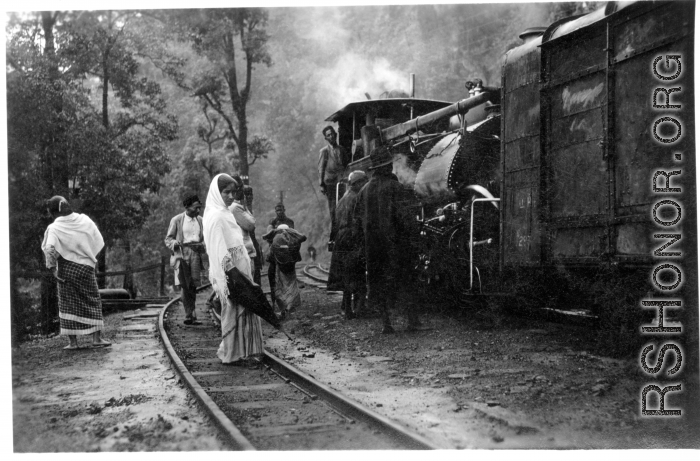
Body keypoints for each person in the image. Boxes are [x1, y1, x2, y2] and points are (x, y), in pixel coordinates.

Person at [355, 149, 422, 334]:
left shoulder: (363, 191)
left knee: (378, 283)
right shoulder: (396, 188)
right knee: (407, 280)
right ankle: (412, 322)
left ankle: (386, 324)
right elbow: (407, 220)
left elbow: (357, 223)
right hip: (396, 246)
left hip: (373, 248)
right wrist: (414, 240)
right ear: (386, 167)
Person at [203, 173, 264, 365]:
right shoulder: (215, 216)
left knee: (244, 309)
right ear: (217, 192)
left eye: (232, 192)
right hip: (231, 272)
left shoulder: (226, 212)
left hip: (240, 267)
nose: (230, 196)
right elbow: (218, 248)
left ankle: (245, 352)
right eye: (226, 192)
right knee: (234, 310)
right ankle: (232, 354)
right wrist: (231, 273)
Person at [41, 196, 111, 349]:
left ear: (53, 212)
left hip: (67, 270)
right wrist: (91, 257)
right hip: (86, 268)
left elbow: (49, 248)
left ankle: (73, 342)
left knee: (67, 303)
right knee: (92, 299)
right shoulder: (84, 220)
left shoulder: (54, 228)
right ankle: (97, 339)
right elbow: (98, 238)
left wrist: (53, 269)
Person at [327, 170, 369, 320]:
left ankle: (347, 309)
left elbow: (335, 222)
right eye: (363, 181)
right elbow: (359, 220)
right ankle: (359, 309)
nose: (365, 184)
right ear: (357, 183)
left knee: (347, 275)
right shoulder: (357, 198)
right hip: (352, 237)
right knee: (358, 273)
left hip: (341, 237)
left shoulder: (343, 199)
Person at [165, 194, 206, 325]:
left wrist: (203, 244)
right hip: (182, 254)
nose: (198, 211)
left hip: (195, 253)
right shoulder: (177, 220)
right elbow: (168, 239)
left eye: (199, 208)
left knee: (193, 284)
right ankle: (189, 314)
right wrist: (174, 243)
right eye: (195, 208)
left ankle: (191, 313)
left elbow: (205, 237)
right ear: (187, 207)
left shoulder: (201, 220)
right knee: (184, 283)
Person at [263, 224, 306, 318]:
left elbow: (269, 257)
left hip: (279, 271)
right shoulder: (293, 241)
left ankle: (283, 310)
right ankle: (291, 309)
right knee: (292, 287)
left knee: (280, 289)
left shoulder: (276, 240)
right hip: (291, 269)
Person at [318, 126, 351, 233]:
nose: (331, 136)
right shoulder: (324, 152)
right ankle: (335, 232)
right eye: (328, 135)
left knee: (344, 205)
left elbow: (347, 165)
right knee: (333, 209)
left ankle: (344, 230)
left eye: (332, 134)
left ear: (335, 134)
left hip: (342, 182)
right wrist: (321, 185)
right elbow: (321, 169)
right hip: (330, 184)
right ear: (326, 138)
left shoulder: (341, 150)